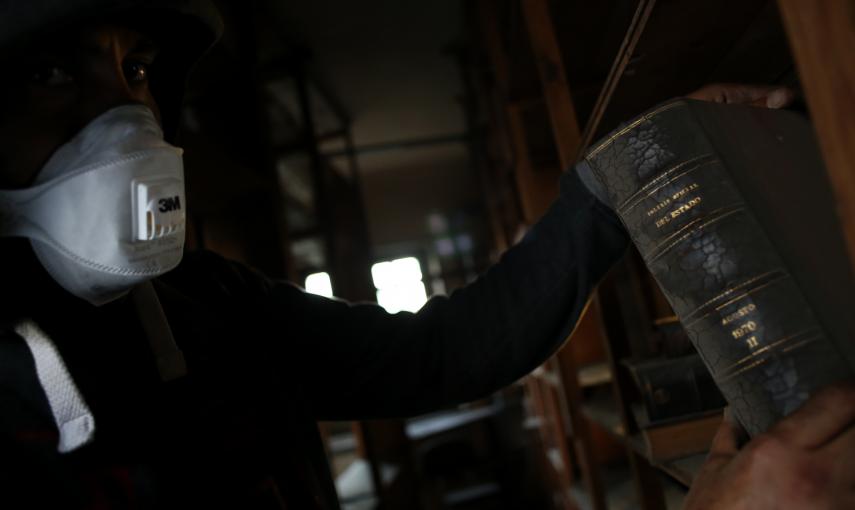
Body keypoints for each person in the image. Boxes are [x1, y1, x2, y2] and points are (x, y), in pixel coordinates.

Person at [0, 1, 852, 509]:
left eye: (139, 69)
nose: (126, 119)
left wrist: (614, 187)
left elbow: (438, 353)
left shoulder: (204, 301)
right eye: (49, 75)